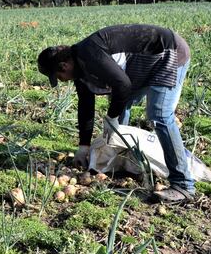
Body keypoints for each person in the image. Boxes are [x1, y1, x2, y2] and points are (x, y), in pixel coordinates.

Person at [37, 24, 193, 202]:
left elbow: (123, 86)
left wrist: (110, 118)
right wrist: (83, 146)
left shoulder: (90, 54)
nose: (62, 81)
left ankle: (183, 184)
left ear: (64, 66)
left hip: (167, 52)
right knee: (119, 106)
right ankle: (122, 161)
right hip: (143, 64)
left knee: (159, 115)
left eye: (59, 77)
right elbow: (86, 105)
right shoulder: (80, 70)